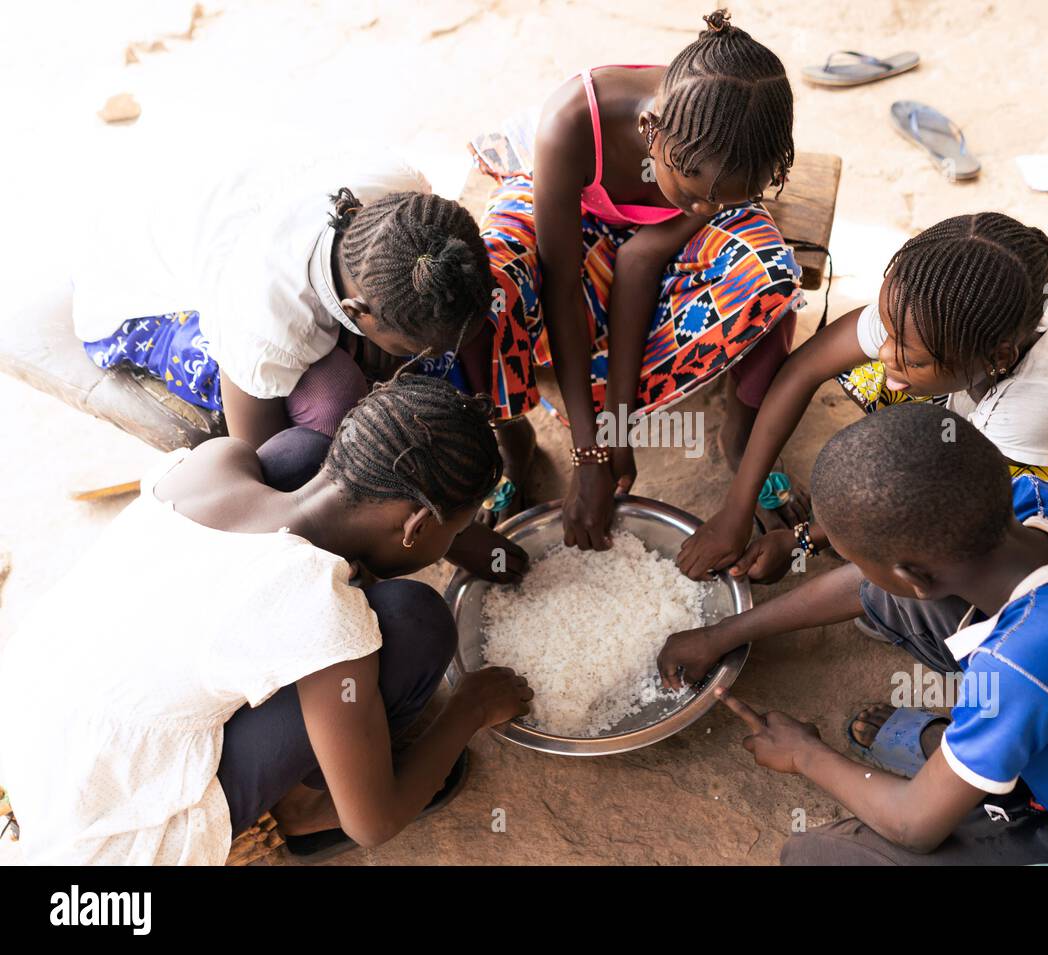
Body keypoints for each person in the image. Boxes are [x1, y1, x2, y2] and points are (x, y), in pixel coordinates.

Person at [661, 405, 1048, 865]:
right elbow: (870, 585)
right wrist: (724, 633)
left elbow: (911, 825)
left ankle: (1004, 788)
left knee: (821, 857)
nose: (849, 567)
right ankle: (984, 764)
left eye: (854, 555)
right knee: (919, 611)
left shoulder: (1022, 664)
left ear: (912, 573)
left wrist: (804, 755)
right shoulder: (1044, 503)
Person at [0, 375, 533, 864]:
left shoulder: (213, 462)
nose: (455, 544)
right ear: (415, 526)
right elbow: (374, 822)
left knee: (296, 452)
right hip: (105, 822)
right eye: (456, 531)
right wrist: (469, 708)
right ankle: (303, 813)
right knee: (417, 622)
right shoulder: (320, 614)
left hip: (32, 727)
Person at [66, 146, 527, 582]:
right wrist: (452, 537)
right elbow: (275, 467)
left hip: (225, 222)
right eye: (413, 346)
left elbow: (456, 328)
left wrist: (504, 423)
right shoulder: (263, 332)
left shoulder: (406, 202)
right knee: (332, 408)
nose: (426, 355)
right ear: (357, 311)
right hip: (136, 298)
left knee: (431, 362)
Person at [677, 212, 1048, 589]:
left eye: (912, 354)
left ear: (994, 357)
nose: (885, 351)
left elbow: (949, 498)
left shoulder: (1035, 404)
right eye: (885, 328)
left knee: (957, 526)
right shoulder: (932, 308)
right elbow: (802, 371)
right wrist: (735, 507)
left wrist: (801, 540)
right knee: (889, 389)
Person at [463, 8, 808, 543]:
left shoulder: (731, 156)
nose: (704, 207)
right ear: (651, 133)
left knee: (771, 276)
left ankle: (739, 438)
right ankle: (513, 442)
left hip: (650, 246)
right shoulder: (573, 122)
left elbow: (639, 261)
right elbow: (559, 282)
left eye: (723, 199)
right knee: (491, 281)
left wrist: (617, 428)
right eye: (693, 192)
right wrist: (589, 448)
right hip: (572, 221)